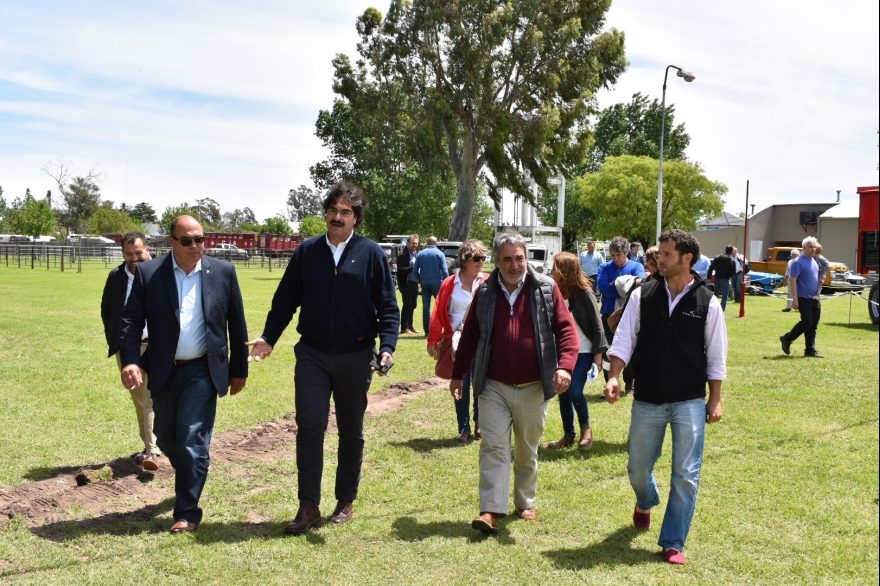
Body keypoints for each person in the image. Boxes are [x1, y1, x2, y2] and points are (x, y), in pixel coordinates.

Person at [246, 181, 400, 535]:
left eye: (345, 212)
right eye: (332, 210)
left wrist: (387, 346)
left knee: (351, 430)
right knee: (310, 427)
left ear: (356, 218)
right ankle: (308, 506)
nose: (337, 217)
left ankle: (345, 499)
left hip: (357, 353)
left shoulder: (372, 254)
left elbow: (388, 308)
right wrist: (269, 337)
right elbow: (285, 301)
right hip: (313, 354)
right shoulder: (307, 252)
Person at [119, 215, 248, 534]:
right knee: (166, 435)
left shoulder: (223, 272)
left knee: (191, 440)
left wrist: (238, 369)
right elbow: (131, 321)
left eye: (200, 239)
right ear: (172, 242)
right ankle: (196, 466)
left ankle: (187, 512)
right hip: (163, 369)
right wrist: (131, 360)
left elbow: (237, 323)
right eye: (187, 240)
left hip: (204, 369)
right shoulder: (150, 273)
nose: (195, 246)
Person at [604, 229, 727, 566]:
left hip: (688, 398)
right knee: (638, 467)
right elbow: (625, 338)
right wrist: (614, 376)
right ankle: (646, 499)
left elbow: (716, 355)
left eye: (667, 255)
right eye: (658, 254)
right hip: (648, 397)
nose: (659, 259)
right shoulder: (643, 294)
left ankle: (673, 541)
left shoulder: (708, 301)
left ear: (687, 258)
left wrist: (714, 399)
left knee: (686, 472)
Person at [450, 231, 579, 534]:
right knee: (493, 446)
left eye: (519, 257)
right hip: (493, 386)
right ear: (496, 261)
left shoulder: (546, 288)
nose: (514, 264)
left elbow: (567, 332)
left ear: (526, 258)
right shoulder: (484, 292)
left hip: (535, 386)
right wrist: (458, 373)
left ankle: (524, 502)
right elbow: (470, 336)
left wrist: (566, 367)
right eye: (507, 259)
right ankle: (491, 511)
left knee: (526, 448)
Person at [101, 231, 161, 471]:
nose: (134, 258)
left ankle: (155, 448)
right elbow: (107, 309)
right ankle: (151, 447)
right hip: (128, 348)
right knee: (141, 399)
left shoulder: (162, 273)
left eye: (138, 252)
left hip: (157, 345)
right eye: (128, 254)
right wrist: (117, 342)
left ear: (147, 249)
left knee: (152, 398)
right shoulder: (116, 277)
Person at [426, 239, 489, 442]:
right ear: (465, 260)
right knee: (460, 383)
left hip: (483, 343)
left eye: (483, 258)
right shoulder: (449, 283)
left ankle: (480, 423)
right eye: (477, 258)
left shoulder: (487, 281)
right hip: (458, 344)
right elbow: (437, 312)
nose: (481, 262)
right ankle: (464, 428)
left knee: (481, 384)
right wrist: (433, 339)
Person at [545, 252, 606, 450]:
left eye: (555, 267)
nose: (551, 271)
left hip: (585, 350)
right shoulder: (555, 293)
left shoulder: (585, 293)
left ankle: (586, 429)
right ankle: (568, 435)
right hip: (563, 352)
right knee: (562, 391)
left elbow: (598, 326)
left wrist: (598, 355)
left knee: (574, 390)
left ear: (565, 270)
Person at [597, 236, 645, 391]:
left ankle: (629, 383)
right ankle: (608, 382)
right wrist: (625, 286)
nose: (616, 258)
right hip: (608, 314)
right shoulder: (604, 268)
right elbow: (604, 288)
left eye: (619, 255)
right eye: (613, 255)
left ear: (626, 253)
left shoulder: (636, 266)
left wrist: (617, 285)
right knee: (608, 349)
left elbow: (640, 287)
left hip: (629, 315)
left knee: (631, 348)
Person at [780, 237, 824, 358]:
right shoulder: (798, 262)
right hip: (803, 297)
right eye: (810, 247)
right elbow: (793, 280)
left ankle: (810, 350)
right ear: (804, 248)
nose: (813, 249)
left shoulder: (814, 262)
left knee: (813, 325)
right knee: (807, 322)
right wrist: (795, 299)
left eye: (814, 247)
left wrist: (819, 284)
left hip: (815, 298)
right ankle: (787, 338)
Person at [410, 236, 449, 336]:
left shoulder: (420, 254)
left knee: (426, 308)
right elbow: (445, 271)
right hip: (437, 283)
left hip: (425, 283)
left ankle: (427, 331)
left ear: (427, 243)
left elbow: (414, 271)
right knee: (441, 306)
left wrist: (420, 280)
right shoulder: (440, 254)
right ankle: (443, 328)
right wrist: (446, 282)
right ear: (436, 244)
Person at [396, 234, 420, 334]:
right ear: (408, 243)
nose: (414, 245)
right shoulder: (403, 254)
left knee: (413, 305)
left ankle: (410, 326)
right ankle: (404, 327)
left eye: (416, 243)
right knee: (407, 305)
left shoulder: (415, 253)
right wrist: (412, 269)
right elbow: (400, 270)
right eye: (413, 243)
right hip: (406, 283)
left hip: (415, 283)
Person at [707, 245, 736, 311]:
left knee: (715, 295)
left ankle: (714, 310)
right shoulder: (732, 260)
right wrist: (728, 276)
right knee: (724, 297)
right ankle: (721, 311)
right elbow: (733, 272)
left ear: (725, 250)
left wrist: (709, 277)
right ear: (731, 252)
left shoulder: (717, 258)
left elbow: (711, 268)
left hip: (717, 278)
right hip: (725, 279)